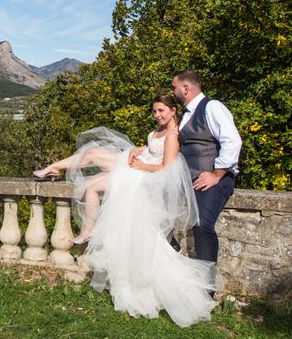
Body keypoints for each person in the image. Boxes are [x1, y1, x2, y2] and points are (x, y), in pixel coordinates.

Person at [33, 93, 217, 327]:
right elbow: (151, 147)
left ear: (173, 111)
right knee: (90, 159)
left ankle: (82, 217)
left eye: (161, 110)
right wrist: (135, 151)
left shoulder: (172, 136)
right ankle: (54, 169)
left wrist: (140, 164)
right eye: (154, 111)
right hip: (137, 166)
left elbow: (167, 168)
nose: (157, 115)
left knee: (91, 182)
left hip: (142, 176)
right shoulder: (159, 132)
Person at [171, 69, 242, 264]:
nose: (172, 92)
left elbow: (233, 141)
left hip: (214, 180)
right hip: (188, 179)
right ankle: (171, 251)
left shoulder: (212, 107)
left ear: (186, 88)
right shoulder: (185, 115)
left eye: (174, 87)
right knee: (151, 207)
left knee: (202, 225)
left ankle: (207, 287)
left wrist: (216, 174)